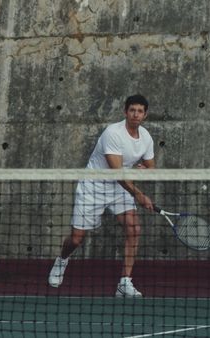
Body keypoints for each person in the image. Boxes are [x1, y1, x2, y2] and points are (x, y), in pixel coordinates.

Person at [48, 94, 155, 298]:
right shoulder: (112, 133)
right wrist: (140, 195)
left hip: (119, 188)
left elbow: (151, 166)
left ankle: (125, 282)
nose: (136, 114)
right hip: (94, 186)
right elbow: (117, 172)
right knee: (77, 239)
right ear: (125, 112)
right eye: (132, 110)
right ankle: (62, 260)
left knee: (134, 228)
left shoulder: (146, 138)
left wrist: (143, 171)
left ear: (145, 115)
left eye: (140, 111)